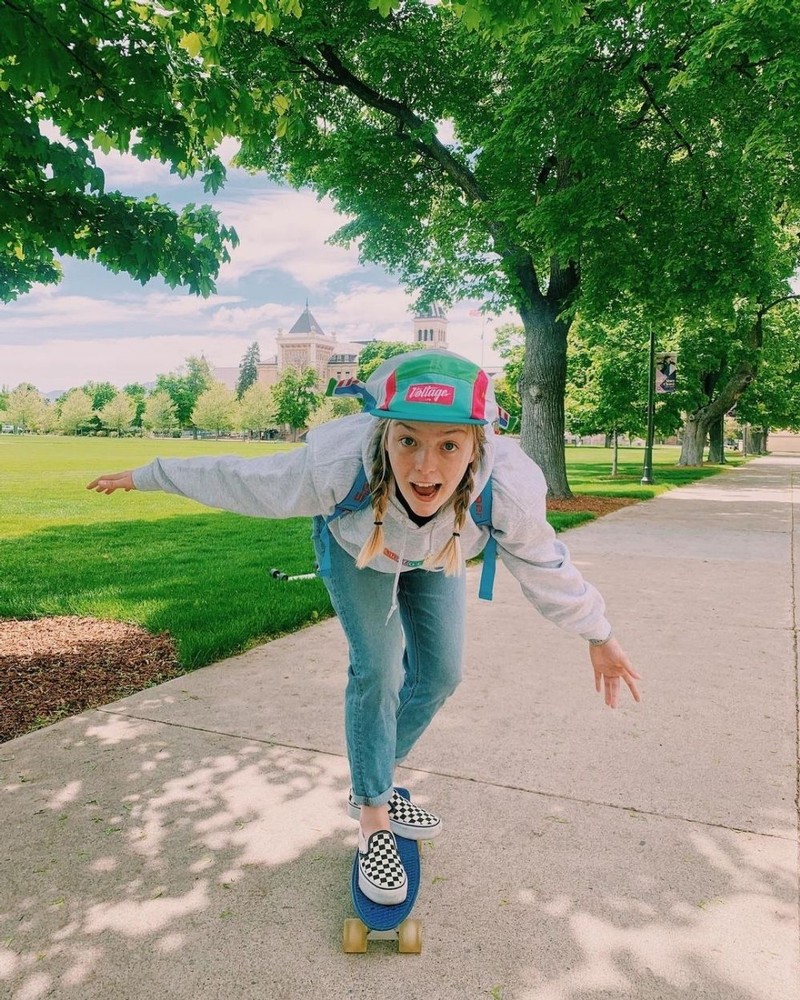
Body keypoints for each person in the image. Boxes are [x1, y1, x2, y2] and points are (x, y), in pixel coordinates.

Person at [87, 349, 640, 906]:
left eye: (449, 444)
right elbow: (242, 477)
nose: (426, 468)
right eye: (408, 441)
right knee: (376, 667)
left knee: (443, 673)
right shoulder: (338, 466)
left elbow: (546, 565)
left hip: (438, 552)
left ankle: (371, 775)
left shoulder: (509, 490)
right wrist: (149, 474)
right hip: (359, 546)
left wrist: (600, 635)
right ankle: (374, 815)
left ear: (479, 443)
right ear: (384, 432)